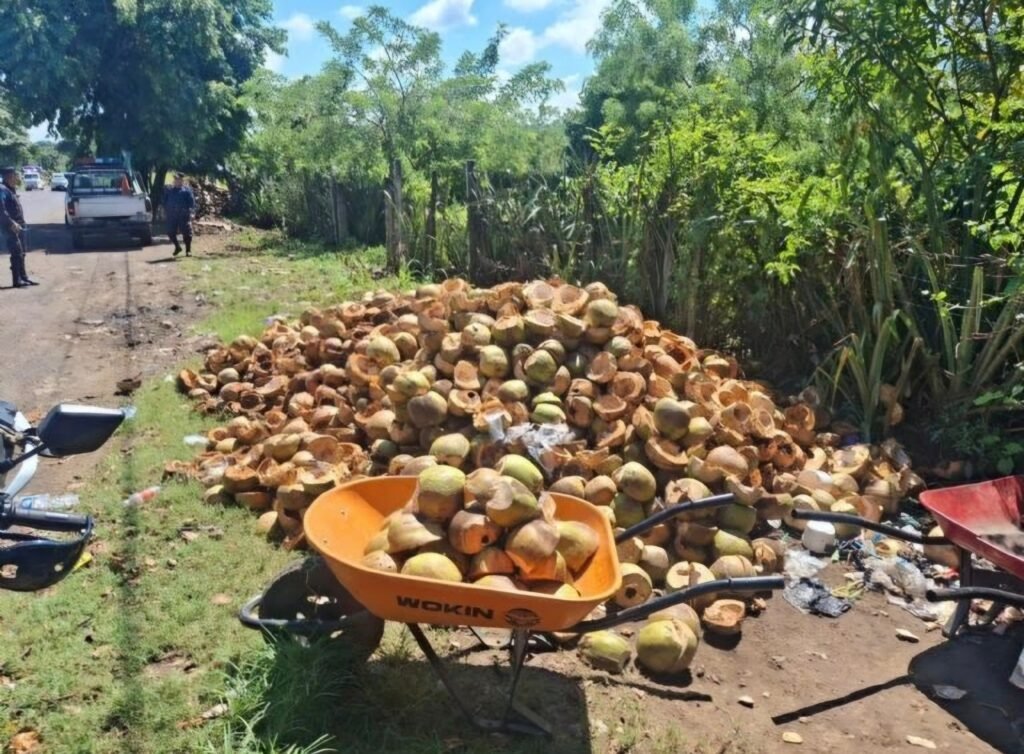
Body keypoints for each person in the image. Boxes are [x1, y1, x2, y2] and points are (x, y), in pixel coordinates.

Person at [0, 167, 37, 288]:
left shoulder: (10, 189)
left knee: (22, 252)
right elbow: (1, 210)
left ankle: (24, 277)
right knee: (16, 252)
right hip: (10, 227)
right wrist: (11, 223)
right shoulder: (2, 189)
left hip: (19, 225)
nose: (17, 178)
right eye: (15, 175)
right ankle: (17, 280)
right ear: (9, 176)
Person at [164, 172, 196, 257]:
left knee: (187, 233)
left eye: (178, 180)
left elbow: (192, 203)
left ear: (182, 181)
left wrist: (192, 213)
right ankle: (177, 247)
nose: (176, 181)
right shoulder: (170, 191)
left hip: (183, 214)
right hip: (172, 215)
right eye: (175, 180)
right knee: (170, 232)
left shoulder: (186, 191)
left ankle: (188, 251)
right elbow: (165, 202)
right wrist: (166, 211)